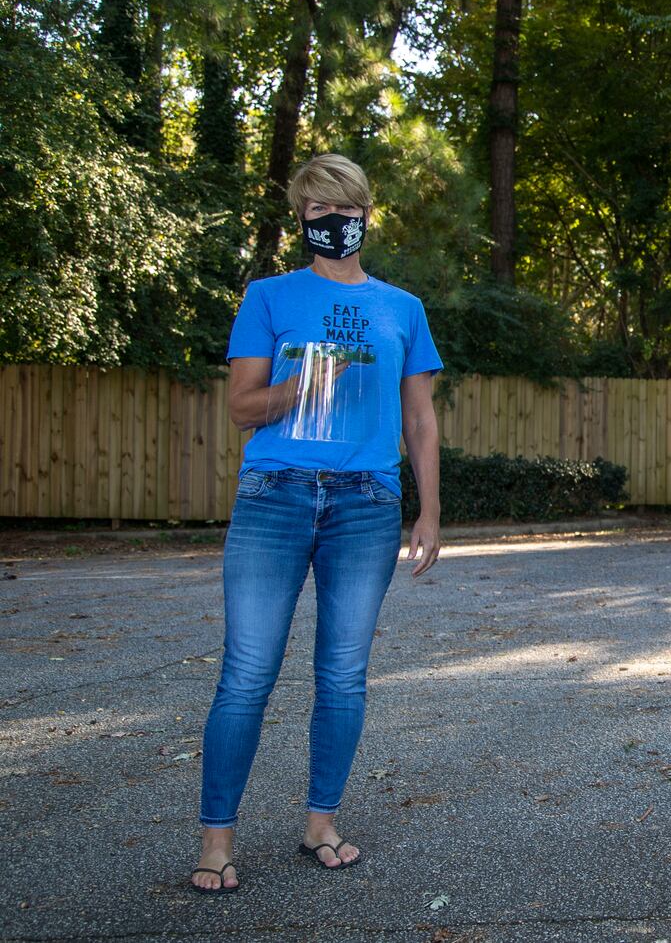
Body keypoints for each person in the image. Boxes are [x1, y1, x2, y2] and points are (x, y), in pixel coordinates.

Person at [189, 154, 443, 892]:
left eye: (346, 206)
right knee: (246, 675)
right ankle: (216, 838)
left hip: (366, 502)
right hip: (276, 493)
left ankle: (321, 821)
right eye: (317, 209)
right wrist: (301, 381)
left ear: (367, 211)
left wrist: (428, 510)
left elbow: (421, 417)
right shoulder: (268, 295)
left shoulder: (403, 307)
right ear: (301, 218)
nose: (334, 220)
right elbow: (240, 406)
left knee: (342, 674)